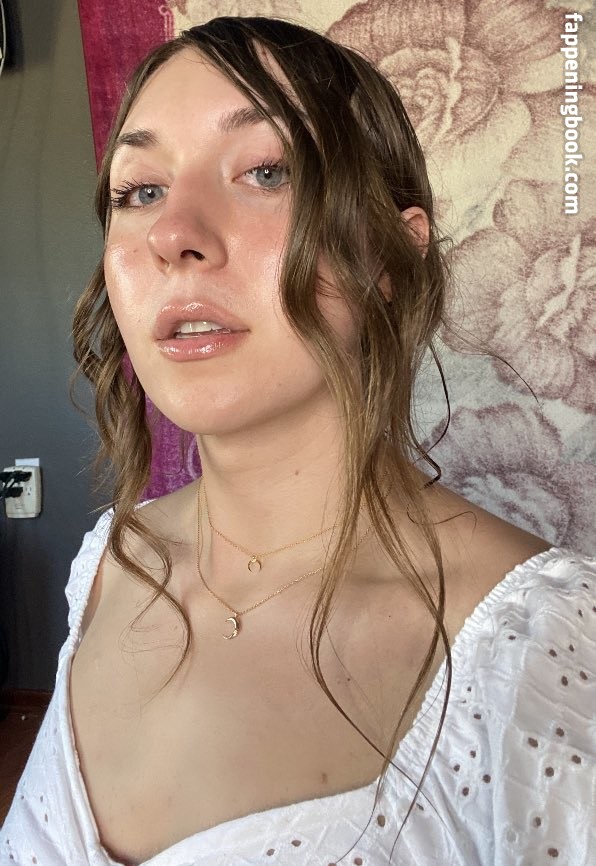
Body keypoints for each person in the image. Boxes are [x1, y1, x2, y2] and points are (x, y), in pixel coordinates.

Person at [2, 15, 594, 866]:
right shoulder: (108, 563)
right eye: (140, 190)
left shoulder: (545, 654)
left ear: (390, 256)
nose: (171, 234)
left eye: (266, 171)